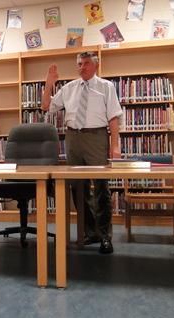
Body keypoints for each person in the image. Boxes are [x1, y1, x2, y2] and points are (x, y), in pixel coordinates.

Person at [41, 51, 122, 254]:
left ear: (96, 65)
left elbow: (113, 117)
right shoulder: (69, 88)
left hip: (96, 137)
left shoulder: (106, 87)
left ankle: (105, 236)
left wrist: (115, 146)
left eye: (86, 63)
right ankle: (90, 232)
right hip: (73, 137)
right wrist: (49, 82)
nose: (81, 67)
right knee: (79, 187)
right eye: (79, 64)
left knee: (101, 188)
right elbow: (46, 106)